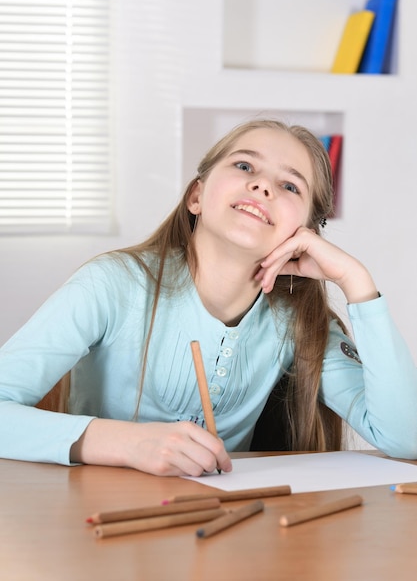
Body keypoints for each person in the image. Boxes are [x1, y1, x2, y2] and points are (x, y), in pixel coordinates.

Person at [1, 119, 416, 476]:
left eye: (290, 185)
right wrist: (125, 443)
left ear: (304, 233)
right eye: (244, 165)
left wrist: (357, 281)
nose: (262, 185)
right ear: (196, 196)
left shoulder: (298, 322)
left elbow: (405, 438)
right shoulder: (110, 285)